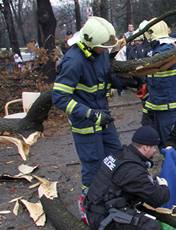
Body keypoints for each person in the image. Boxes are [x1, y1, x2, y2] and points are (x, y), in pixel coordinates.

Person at [52, 16, 123, 223]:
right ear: (91, 43)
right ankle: (88, 204)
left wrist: (122, 82)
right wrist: (89, 113)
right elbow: (60, 97)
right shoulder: (73, 61)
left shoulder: (99, 53)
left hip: (103, 116)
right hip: (85, 122)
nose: (104, 50)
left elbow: (104, 74)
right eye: (102, 47)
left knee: (115, 155)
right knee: (93, 166)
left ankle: (110, 195)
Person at [85, 126, 170, 230]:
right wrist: (163, 186)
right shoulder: (132, 169)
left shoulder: (121, 154)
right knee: (152, 227)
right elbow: (158, 199)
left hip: (96, 205)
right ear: (145, 147)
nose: (155, 151)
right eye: (154, 147)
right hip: (102, 217)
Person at [142, 18, 176, 147]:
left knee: (169, 144)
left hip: (167, 106)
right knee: (163, 142)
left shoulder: (163, 52)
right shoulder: (166, 49)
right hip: (162, 104)